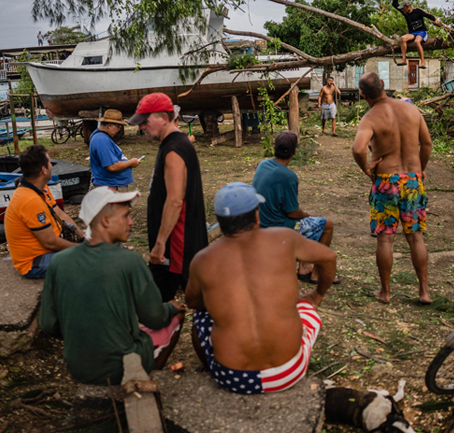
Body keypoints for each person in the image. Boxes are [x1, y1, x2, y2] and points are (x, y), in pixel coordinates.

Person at [186, 182, 336, 394]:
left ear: (220, 222)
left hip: (233, 377)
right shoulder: (285, 238)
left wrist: (222, 302)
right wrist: (318, 294)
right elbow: (329, 257)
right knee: (305, 308)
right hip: (289, 371)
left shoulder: (202, 260)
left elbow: (192, 302)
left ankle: (209, 369)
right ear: (256, 216)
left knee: (200, 317)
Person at [39, 187, 185, 386]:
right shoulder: (129, 261)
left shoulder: (59, 262)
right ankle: (141, 376)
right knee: (176, 314)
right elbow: (155, 318)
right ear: (106, 221)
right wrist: (171, 307)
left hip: (78, 367)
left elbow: (48, 324)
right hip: (118, 367)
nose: (131, 222)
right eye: (126, 216)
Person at [352, 72, 433, 304]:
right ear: (384, 85)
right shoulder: (411, 110)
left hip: (386, 181)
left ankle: (386, 292)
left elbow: (358, 149)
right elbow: (426, 144)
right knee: (416, 237)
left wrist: (367, 169)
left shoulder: (370, 117)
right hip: (413, 180)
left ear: (363, 95)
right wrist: (421, 168)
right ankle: (424, 291)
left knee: (385, 240)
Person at [128, 92, 208, 302]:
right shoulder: (172, 144)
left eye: (145, 122)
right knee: (169, 299)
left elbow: (175, 200)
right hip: (176, 242)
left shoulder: (174, 149)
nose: (142, 127)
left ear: (163, 117)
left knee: (185, 300)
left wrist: (161, 242)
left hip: (176, 243)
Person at [252, 131, 340, 284]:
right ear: (294, 152)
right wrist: (307, 215)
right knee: (327, 225)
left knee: (303, 222)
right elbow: (293, 213)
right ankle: (317, 273)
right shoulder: (288, 176)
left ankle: (304, 267)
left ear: (274, 147)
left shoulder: (263, 164)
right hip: (276, 227)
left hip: (260, 222)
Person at [5, 144, 85, 278]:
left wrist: (83, 237)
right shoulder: (29, 200)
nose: (51, 166)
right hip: (35, 261)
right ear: (44, 170)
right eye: (49, 162)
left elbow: (59, 213)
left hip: (49, 248)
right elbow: (49, 242)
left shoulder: (40, 187)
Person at [89, 109, 140, 191]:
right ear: (110, 125)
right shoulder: (101, 140)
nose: (119, 129)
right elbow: (112, 166)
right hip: (111, 186)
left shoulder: (101, 136)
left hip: (113, 184)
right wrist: (131, 163)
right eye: (118, 126)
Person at [393, 0, 440, 68]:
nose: (402, 10)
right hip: (412, 33)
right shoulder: (405, 12)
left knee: (417, 41)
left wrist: (435, 20)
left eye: (403, 8)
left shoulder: (417, 11)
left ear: (408, 6)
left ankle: (423, 62)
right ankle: (404, 60)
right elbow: (394, 4)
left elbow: (428, 15)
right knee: (403, 38)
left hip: (422, 32)